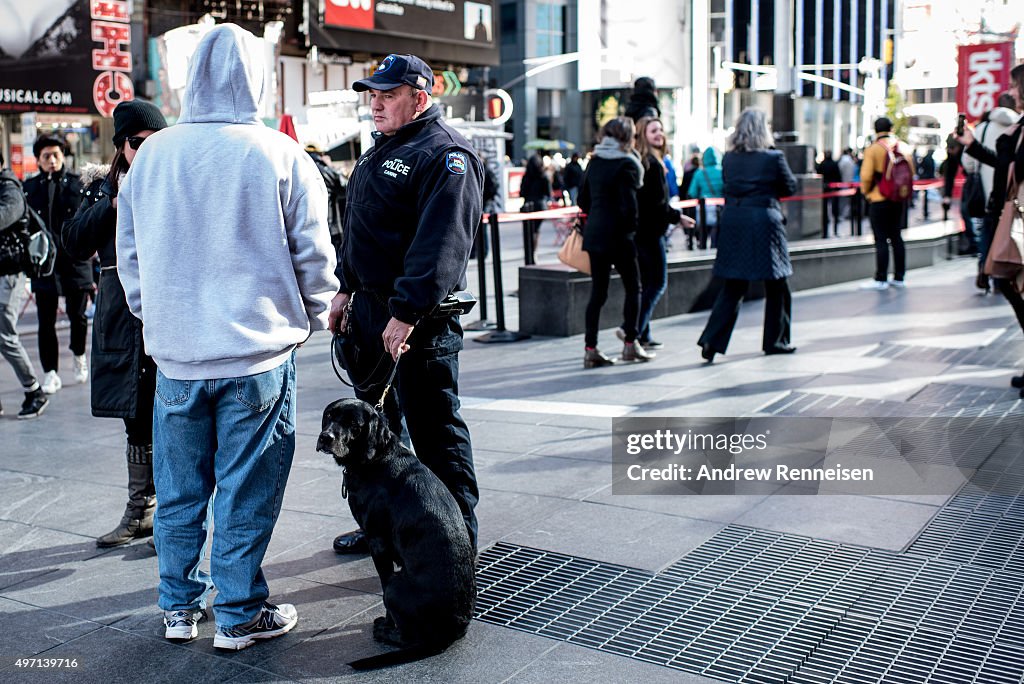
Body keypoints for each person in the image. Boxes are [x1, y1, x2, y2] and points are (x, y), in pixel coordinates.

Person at [116, 24, 338, 649]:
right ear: (259, 79)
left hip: (177, 355)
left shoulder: (153, 154)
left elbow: (127, 250)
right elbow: (313, 254)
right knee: (246, 487)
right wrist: (321, 312)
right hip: (257, 355)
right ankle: (239, 614)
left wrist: (151, 312)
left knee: (180, 489)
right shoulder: (279, 153)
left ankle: (179, 609)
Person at [328, 53, 483, 556]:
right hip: (369, 312)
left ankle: (456, 541)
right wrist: (345, 288)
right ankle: (384, 528)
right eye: (372, 94)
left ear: (420, 98)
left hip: (416, 322)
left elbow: (442, 244)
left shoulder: (446, 154)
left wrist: (407, 312)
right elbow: (362, 231)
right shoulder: (382, 149)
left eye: (387, 94)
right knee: (376, 433)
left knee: (436, 432)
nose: (375, 103)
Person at [62, 99, 167, 547]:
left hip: (168, 309)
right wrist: (114, 205)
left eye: (155, 142)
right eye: (138, 144)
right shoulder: (100, 188)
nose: (147, 151)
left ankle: (173, 515)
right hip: (121, 317)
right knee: (135, 413)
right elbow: (72, 242)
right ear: (121, 145)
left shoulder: (173, 176)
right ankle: (140, 508)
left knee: (176, 411)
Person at [697, 108, 798, 363]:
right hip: (765, 221)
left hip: (735, 220)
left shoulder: (729, 159)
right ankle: (775, 341)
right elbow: (790, 186)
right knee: (778, 285)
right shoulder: (773, 158)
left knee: (733, 285)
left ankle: (711, 340)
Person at [958, 64, 1024, 396]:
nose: (1011, 92)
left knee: (1012, 284)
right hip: (1008, 217)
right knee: (1006, 282)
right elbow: (1004, 166)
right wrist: (972, 145)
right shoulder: (1019, 126)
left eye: (1015, 86)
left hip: (1020, 220)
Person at [577, 117, 650, 368]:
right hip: (620, 237)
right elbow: (629, 207)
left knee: (598, 292)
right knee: (634, 288)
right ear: (628, 137)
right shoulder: (628, 164)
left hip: (595, 235)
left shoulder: (595, 161)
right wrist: (632, 231)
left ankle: (590, 348)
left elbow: (582, 200)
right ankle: (631, 343)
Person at [22, 135, 90, 394]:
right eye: (46, 156)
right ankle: (50, 372)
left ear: (63, 156)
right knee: (45, 320)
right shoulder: (29, 188)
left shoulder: (77, 183)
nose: (52, 160)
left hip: (75, 260)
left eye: (56, 155)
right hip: (44, 264)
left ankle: (79, 354)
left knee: (78, 316)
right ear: (38, 160)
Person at [625, 116, 685, 350]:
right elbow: (657, 204)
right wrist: (678, 217)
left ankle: (643, 333)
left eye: (660, 129)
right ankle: (633, 329)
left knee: (647, 282)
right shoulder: (651, 164)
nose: (659, 134)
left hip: (640, 232)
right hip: (650, 233)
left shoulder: (645, 161)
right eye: (653, 131)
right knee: (657, 283)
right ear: (642, 134)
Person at [0, 151, 48, 419]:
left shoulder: (9, 188)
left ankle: (34, 391)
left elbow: (5, 217)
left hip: (8, 273)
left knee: (5, 335)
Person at [859, 117, 915, 290]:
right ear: (891, 128)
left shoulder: (873, 149)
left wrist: (867, 193)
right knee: (897, 237)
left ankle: (881, 278)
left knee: (881, 238)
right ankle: (899, 277)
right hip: (898, 199)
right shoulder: (903, 147)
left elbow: (866, 176)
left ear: (876, 130)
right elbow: (911, 172)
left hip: (879, 198)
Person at [305, 143, 346, 250]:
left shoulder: (301, 167)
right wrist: (330, 166)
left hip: (308, 223)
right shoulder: (323, 168)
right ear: (320, 153)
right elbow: (344, 187)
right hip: (329, 221)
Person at [688, 146, 725, 248]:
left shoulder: (699, 173)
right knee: (717, 234)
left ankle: (702, 246)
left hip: (704, 211)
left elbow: (692, 193)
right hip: (720, 209)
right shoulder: (723, 171)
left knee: (703, 234)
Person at [520, 152, 551, 263]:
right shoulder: (543, 176)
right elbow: (548, 192)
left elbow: (522, 192)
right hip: (540, 206)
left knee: (529, 230)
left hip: (528, 205)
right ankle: (534, 252)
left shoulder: (526, 177)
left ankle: (529, 253)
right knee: (536, 231)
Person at [817, 151, 842, 234]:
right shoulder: (834, 164)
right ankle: (835, 230)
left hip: (824, 189)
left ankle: (825, 231)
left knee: (825, 208)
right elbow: (838, 176)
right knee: (834, 208)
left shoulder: (822, 164)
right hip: (833, 189)